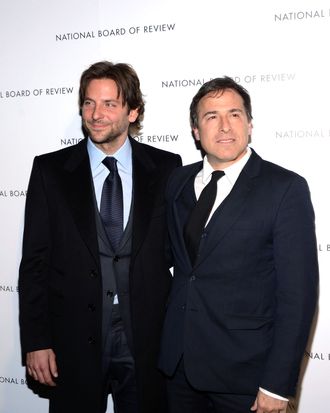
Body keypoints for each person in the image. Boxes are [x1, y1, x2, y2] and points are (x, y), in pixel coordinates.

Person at [19, 60, 181, 413]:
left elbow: (181, 258)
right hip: (72, 339)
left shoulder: (168, 168)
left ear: (133, 111)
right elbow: (34, 263)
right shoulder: (50, 171)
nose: (96, 114)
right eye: (89, 103)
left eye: (110, 104)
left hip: (147, 340)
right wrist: (36, 340)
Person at [158, 77, 318, 413]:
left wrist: (277, 385)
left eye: (234, 114)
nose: (225, 126)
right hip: (179, 370)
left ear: (249, 124)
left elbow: (298, 297)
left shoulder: (285, 188)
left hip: (246, 376)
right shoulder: (178, 182)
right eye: (211, 116)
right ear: (196, 130)